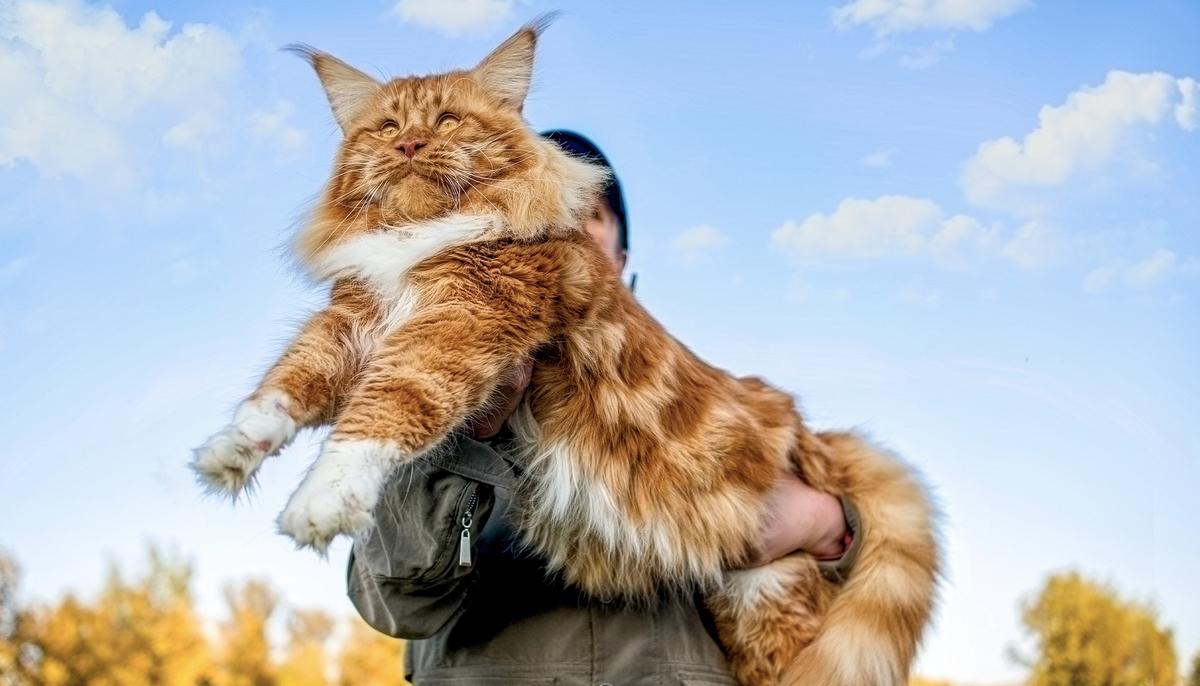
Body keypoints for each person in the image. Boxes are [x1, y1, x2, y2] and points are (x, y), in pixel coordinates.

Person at [347, 131, 859, 685]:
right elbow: (393, 605)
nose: (564, 223)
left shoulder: (702, 402)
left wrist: (828, 523)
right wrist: (469, 438)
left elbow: (861, 576)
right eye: (538, 201)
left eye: (588, 211)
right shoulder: (422, 389)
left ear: (620, 261)